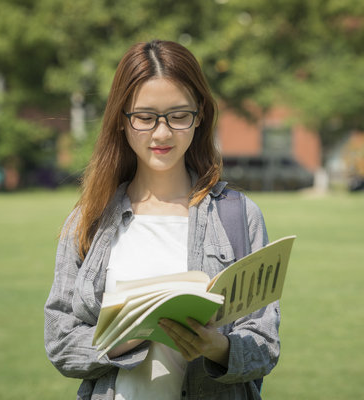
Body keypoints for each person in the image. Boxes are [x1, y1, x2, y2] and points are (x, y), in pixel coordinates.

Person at [44, 39, 280, 400]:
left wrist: (216, 347)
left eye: (178, 115)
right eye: (145, 117)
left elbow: (265, 345)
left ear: (199, 115)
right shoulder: (89, 219)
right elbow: (60, 341)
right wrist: (126, 337)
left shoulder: (238, 214)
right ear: (122, 119)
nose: (162, 133)